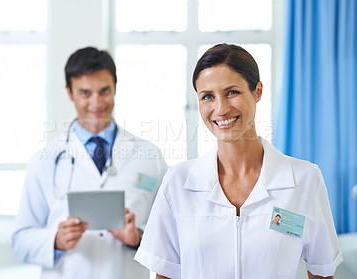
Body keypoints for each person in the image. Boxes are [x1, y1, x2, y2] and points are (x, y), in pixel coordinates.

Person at [134, 43, 342, 279]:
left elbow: (322, 273)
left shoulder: (304, 180)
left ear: (258, 91)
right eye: (208, 97)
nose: (221, 109)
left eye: (232, 92)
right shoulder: (178, 182)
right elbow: (165, 274)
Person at [12, 46, 167, 279]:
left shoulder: (150, 157)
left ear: (115, 87)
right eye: (85, 93)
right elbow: (20, 240)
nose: (96, 102)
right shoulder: (44, 161)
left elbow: (170, 236)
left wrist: (137, 238)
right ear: (69, 92)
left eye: (104, 91)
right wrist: (55, 240)